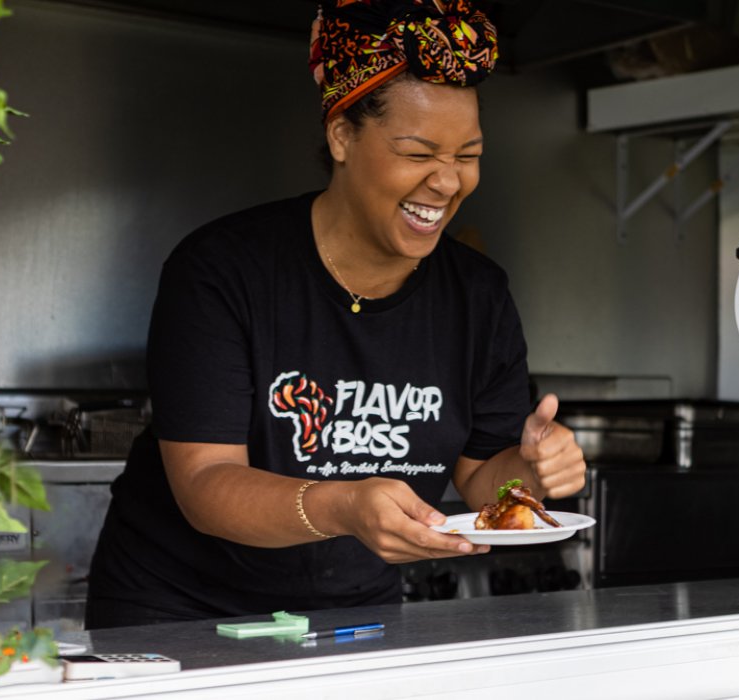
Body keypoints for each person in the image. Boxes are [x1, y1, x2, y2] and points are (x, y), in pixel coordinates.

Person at [86, 0, 587, 628]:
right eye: (418, 151)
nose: (448, 181)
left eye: (467, 155)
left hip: (352, 610)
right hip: (178, 607)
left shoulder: (477, 297)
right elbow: (206, 481)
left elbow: (483, 481)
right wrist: (346, 506)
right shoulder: (223, 270)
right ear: (342, 136)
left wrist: (532, 472)